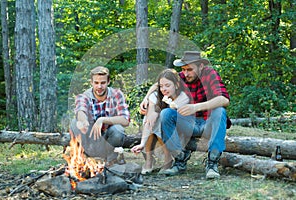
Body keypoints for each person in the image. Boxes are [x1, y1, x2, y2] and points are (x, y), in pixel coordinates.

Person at [140, 51, 230, 179]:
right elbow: (159, 84)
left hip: (208, 123)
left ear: (201, 67)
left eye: (189, 70)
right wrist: (147, 97)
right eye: (183, 69)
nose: (186, 73)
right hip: (188, 124)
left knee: (220, 111)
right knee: (166, 113)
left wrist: (196, 107)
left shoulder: (210, 74)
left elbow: (224, 100)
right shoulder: (182, 77)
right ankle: (179, 160)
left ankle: (212, 164)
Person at [131, 69, 190, 175]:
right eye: (161, 86)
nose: (164, 89)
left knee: (163, 118)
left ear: (176, 85)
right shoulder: (155, 96)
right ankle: (149, 159)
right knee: (151, 118)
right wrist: (142, 143)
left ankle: (168, 158)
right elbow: (151, 118)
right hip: (156, 126)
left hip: (176, 128)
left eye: (167, 85)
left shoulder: (183, 97)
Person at [70, 66, 130, 166]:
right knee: (74, 123)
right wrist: (83, 121)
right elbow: (80, 111)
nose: (99, 86)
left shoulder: (116, 94)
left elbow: (125, 120)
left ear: (108, 82)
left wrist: (102, 120)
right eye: (96, 83)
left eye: (103, 83)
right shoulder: (84, 96)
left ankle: (111, 161)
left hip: (109, 138)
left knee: (118, 129)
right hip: (90, 138)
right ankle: (84, 159)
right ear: (91, 82)